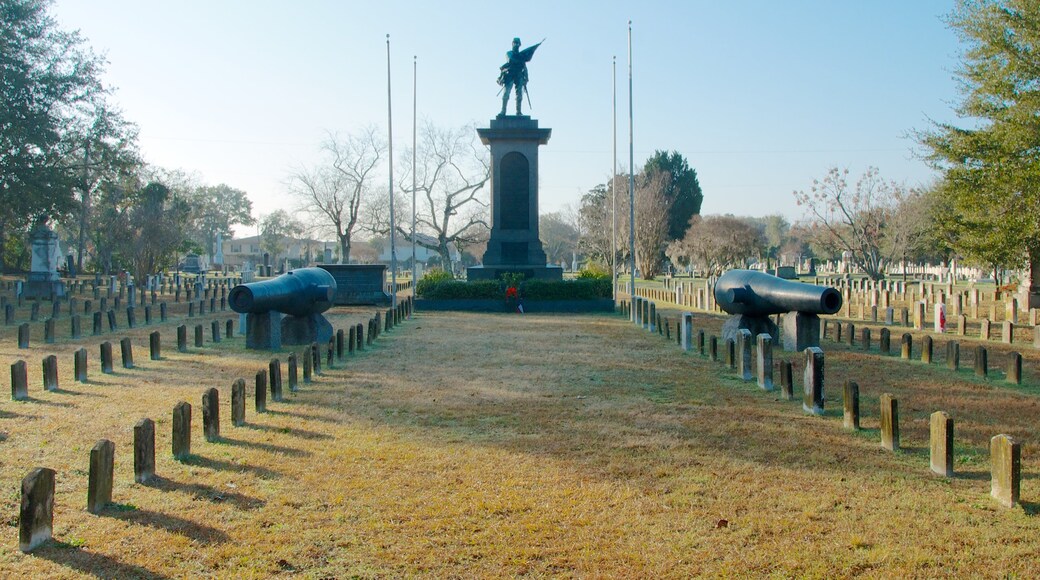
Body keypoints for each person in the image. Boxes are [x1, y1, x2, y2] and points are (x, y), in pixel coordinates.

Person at [497, 37, 542, 116]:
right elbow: (511, 59)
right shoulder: (509, 53)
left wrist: (526, 77)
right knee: (506, 94)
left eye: (517, 43)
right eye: (515, 43)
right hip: (510, 74)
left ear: (519, 45)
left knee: (519, 95)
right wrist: (520, 60)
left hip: (519, 75)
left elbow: (524, 67)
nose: (516, 44)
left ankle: (518, 112)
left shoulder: (522, 56)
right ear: (512, 43)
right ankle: (503, 111)